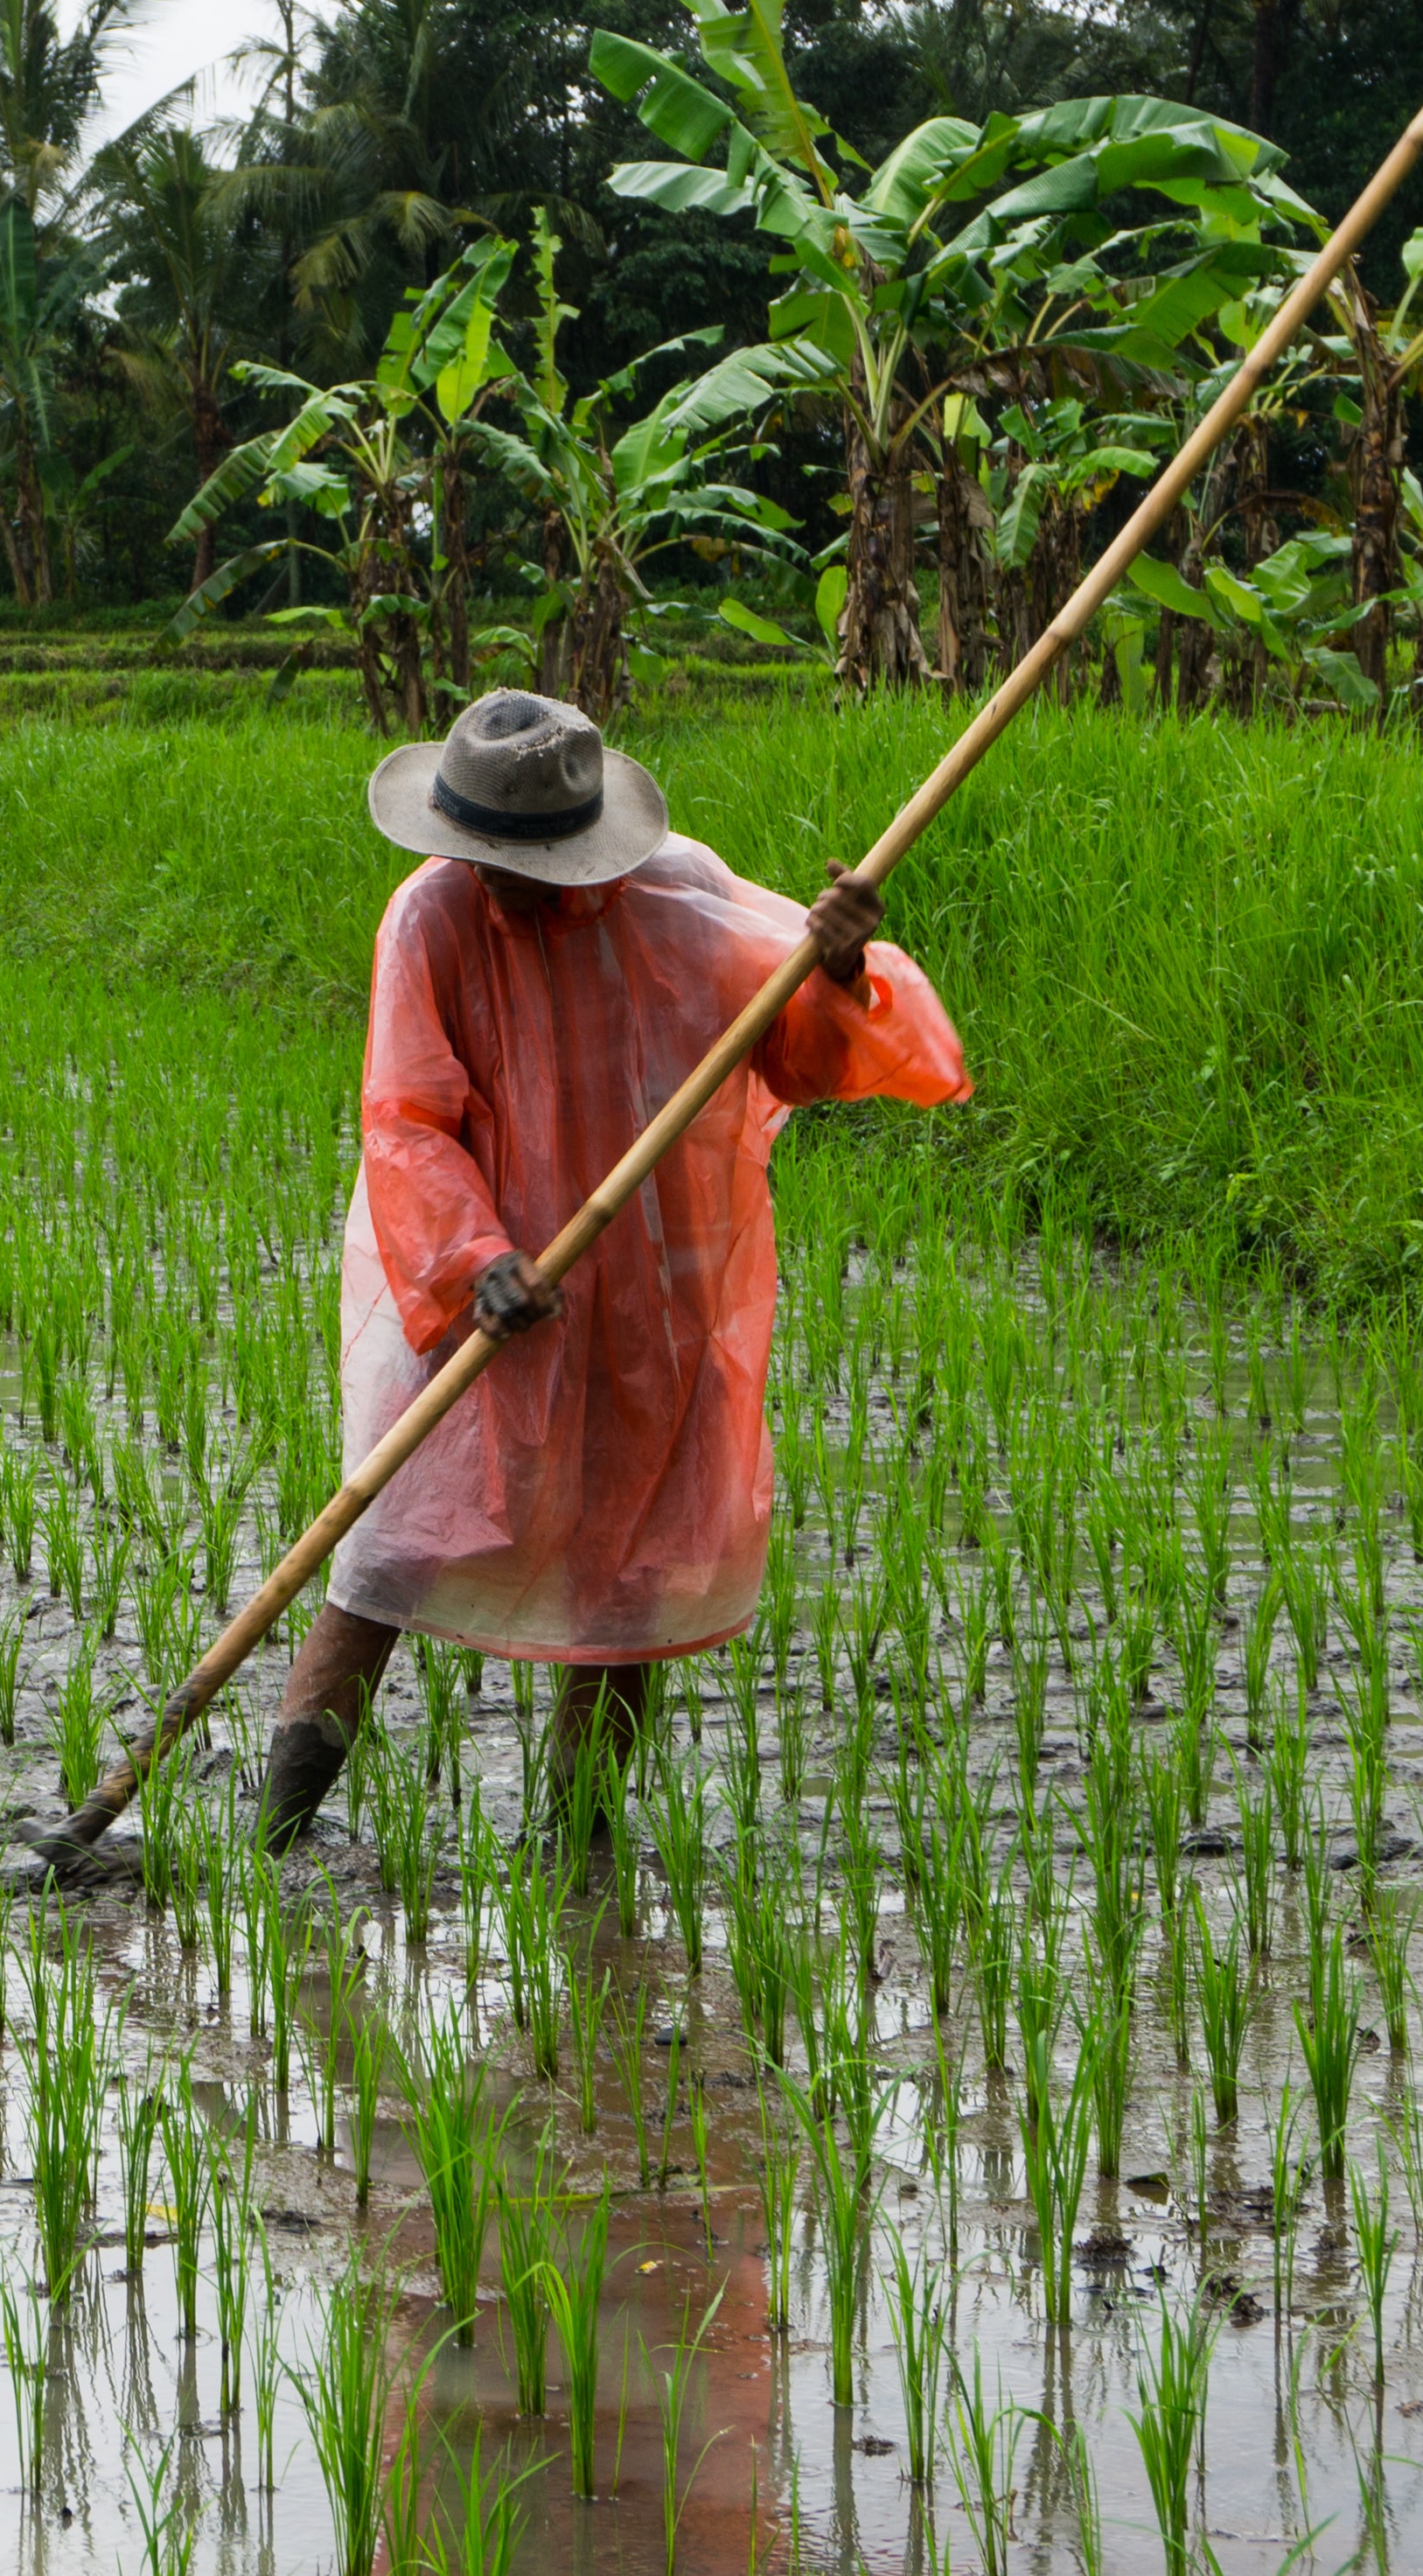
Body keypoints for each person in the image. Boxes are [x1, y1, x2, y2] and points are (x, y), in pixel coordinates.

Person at [262, 687, 971, 1849]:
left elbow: (794, 1059)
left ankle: (576, 1845)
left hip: (655, 1281)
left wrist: (839, 972)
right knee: (386, 1549)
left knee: (630, 1575)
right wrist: (477, 1260)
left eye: (512, 861)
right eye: (470, 854)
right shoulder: (432, 917)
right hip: (471, 1280)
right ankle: (277, 1833)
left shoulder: (683, 900)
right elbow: (407, 1117)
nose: (486, 877)